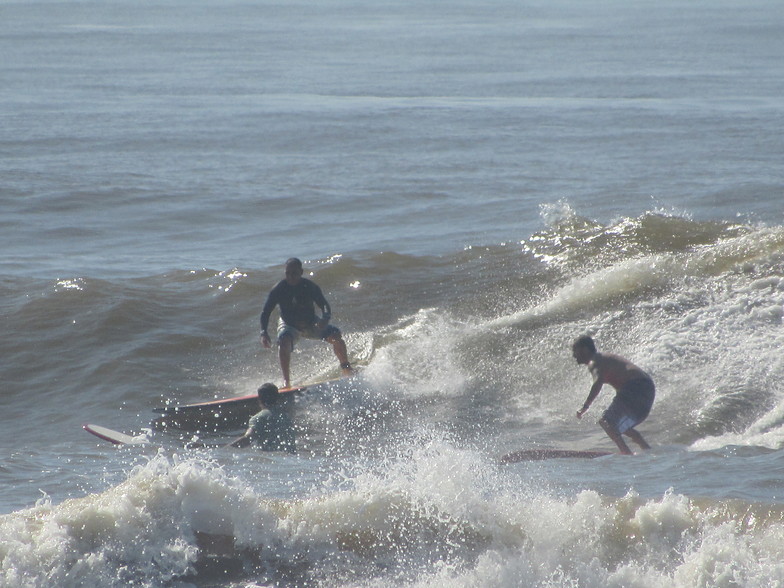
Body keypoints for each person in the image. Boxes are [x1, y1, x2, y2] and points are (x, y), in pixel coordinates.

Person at [260, 257, 353, 388]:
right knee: (283, 342)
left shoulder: (309, 286)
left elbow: (324, 305)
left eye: (294, 273)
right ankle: (287, 382)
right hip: (289, 325)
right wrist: (263, 332)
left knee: (336, 337)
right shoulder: (278, 289)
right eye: (288, 273)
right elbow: (265, 312)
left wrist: (324, 319)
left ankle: (346, 368)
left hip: (310, 323)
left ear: (301, 272)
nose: (290, 277)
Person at [572, 335, 655, 455]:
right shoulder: (604, 358)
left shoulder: (594, 361)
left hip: (635, 385)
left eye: (575, 351)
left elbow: (598, 382)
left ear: (584, 350)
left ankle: (626, 453)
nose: (574, 355)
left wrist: (585, 407)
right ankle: (646, 450)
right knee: (617, 424)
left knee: (606, 422)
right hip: (647, 387)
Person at [228, 383, 295, 451]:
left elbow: (248, 438)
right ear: (278, 398)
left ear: (259, 399)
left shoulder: (258, 418)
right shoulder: (286, 416)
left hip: (271, 458)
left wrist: (226, 449)